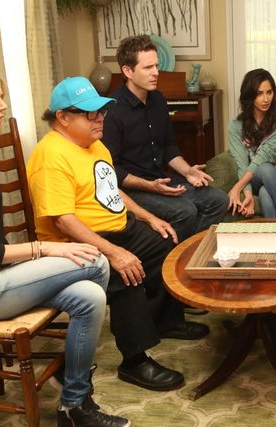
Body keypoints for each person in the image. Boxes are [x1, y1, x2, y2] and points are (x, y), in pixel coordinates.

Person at [0, 61, 129, 426]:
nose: (2, 106)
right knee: (96, 260)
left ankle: (73, 405)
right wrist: (47, 248)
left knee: (90, 296)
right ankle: (78, 392)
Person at [27, 76, 209, 393]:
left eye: (101, 111)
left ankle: (164, 321)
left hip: (116, 227)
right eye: (90, 113)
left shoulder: (94, 144)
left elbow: (112, 190)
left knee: (168, 242)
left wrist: (149, 217)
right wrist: (113, 252)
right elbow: (64, 222)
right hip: (75, 245)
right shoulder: (51, 156)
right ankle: (134, 360)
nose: (100, 119)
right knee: (126, 270)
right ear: (63, 117)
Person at [102, 34, 228, 243]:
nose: (156, 72)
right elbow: (110, 170)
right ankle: (175, 258)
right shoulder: (113, 109)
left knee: (218, 200)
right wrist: (149, 185)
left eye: (156, 66)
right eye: (148, 67)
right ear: (128, 71)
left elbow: (169, 147)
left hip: (161, 179)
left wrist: (187, 171)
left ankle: (193, 251)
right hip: (133, 189)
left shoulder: (158, 99)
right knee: (186, 211)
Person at [227, 68, 276, 218]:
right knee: (265, 170)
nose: (266, 99)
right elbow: (242, 164)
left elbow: (263, 157)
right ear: (249, 95)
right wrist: (248, 193)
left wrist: (237, 187)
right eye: (259, 94)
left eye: (269, 92)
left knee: (265, 189)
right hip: (257, 177)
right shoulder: (235, 125)